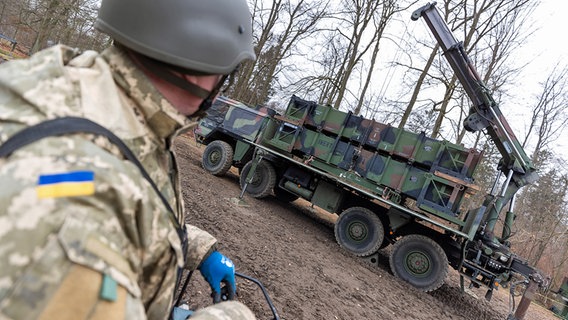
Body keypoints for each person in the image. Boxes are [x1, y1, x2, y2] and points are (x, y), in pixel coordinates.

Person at [0, 0, 256, 319]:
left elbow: (112, 201)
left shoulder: (75, 86)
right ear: (200, 61)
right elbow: (84, 212)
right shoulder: (72, 217)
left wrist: (195, 246)